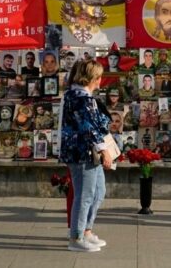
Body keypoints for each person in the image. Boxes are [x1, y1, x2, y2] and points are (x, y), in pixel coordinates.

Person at [60, 60, 112, 252]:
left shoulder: (76, 95)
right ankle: (76, 237)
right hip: (82, 153)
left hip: (83, 152)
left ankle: (86, 231)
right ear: (92, 78)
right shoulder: (82, 98)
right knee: (85, 196)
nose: (100, 81)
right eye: (99, 77)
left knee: (98, 191)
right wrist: (104, 150)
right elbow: (88, 128)